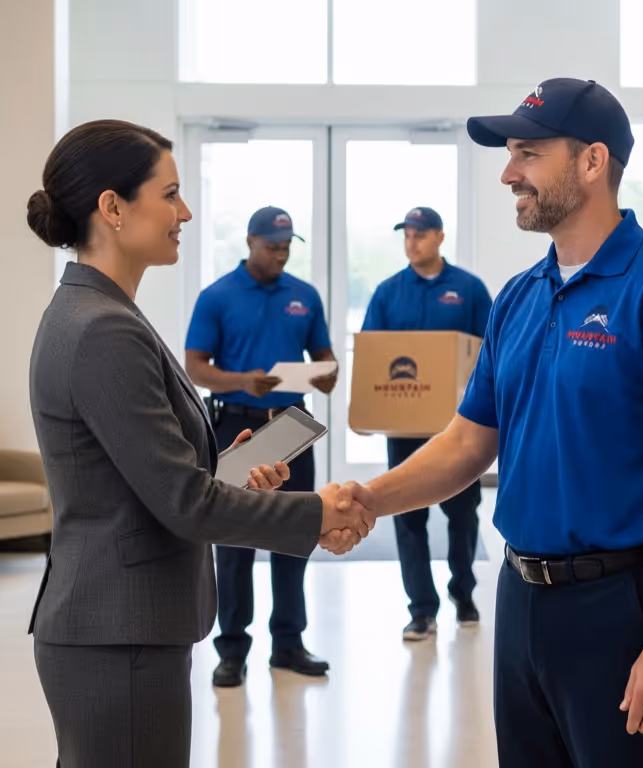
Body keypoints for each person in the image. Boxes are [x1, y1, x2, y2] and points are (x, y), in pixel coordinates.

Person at [322, 78, 643, 767]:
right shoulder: (518, 297)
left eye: (528, 154)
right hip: (519, 600)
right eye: (511, 154)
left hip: (621, 607)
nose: (509, 173)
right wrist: (367, 499)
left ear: (592, 162)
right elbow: (464, 443)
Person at [25, 120, 372, 768]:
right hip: (117, 634)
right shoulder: (102, 329)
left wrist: (225, 473)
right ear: (113, 208)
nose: (185, 212)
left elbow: (145, 478)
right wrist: (320, 512)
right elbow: (183, 503)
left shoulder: (102, 312)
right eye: (171, 193)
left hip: (124, 626)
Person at [184, 206, 338, 687]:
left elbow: (327, 365)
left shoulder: (304, 296)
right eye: (273, 245)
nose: (281, 253)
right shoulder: (217, 297)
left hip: (292, 429)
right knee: (233, 543)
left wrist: (323, 374)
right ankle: (231, 649)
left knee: (297, 535)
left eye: (288, 245)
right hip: (237, 427)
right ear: (250, 241)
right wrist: (241, 381)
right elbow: (195, 366)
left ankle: (288, 645)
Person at [362, 206, 493, 641]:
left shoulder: (469, 290)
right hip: (404, 429)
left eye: (420, 234)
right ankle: (421, 609)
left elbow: (491, 352)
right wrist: (366, 412)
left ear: (439, 237)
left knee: (463, 516)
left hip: (458, 430)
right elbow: (372, 361)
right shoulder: (387, 293)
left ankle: (463, 592)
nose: (412, 242)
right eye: (407, 235)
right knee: (407, 519)